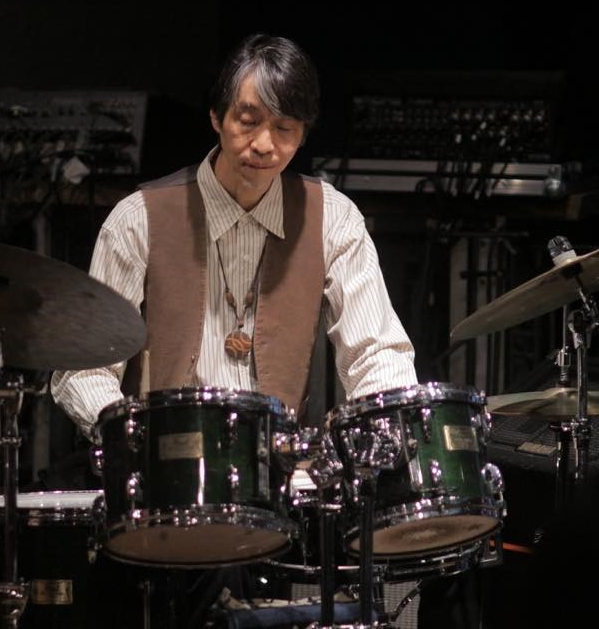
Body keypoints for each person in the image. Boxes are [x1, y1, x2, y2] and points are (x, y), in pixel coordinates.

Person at [51, 33, 418, 628]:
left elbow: (376, 352)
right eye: (248, 121)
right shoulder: (138, 220)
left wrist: (382, 436)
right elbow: (82, 368)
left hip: (280, 486)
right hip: (166, 489)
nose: (265, 145)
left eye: (286, 128)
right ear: (217, 117)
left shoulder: (334, 219)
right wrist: (135, 445)